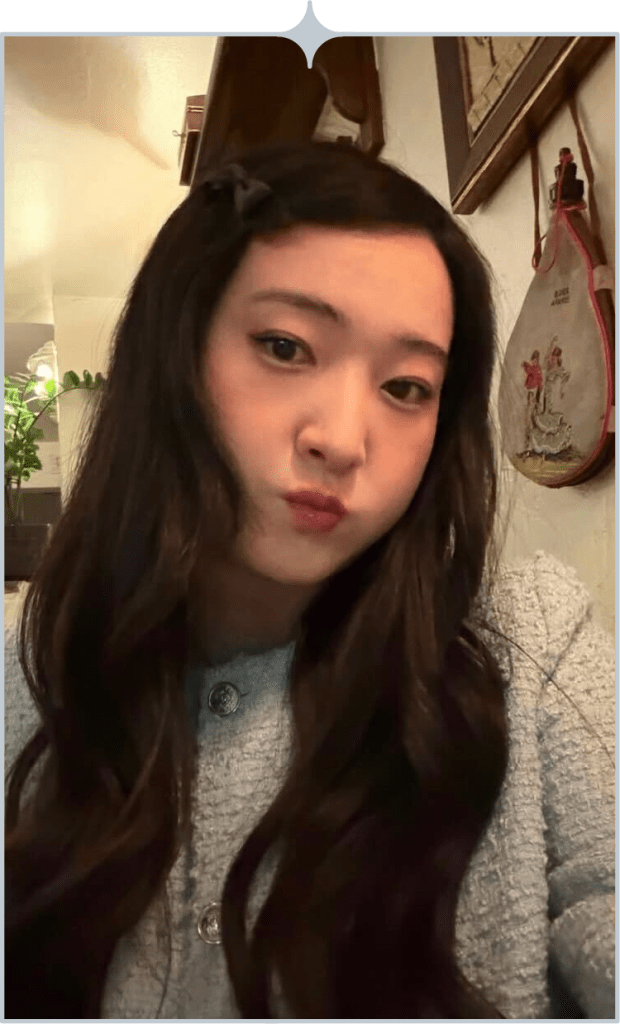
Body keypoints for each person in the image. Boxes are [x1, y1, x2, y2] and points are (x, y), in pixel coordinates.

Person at [4, 142, 614, 1019]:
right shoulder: (27, 681)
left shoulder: (529, 651)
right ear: (174, 355)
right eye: (285, 346)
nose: (342, 438)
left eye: (406, 387)